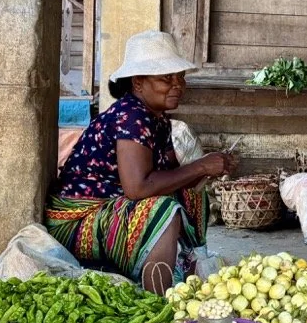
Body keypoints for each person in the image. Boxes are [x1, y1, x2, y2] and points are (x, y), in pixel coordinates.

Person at [47, 31, 237, 295]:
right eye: (166, 78)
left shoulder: (158, 120)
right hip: (78, 220)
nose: (178, 85)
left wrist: (210, 170)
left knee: (193, 195)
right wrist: (201, 166)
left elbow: (171, 176)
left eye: (180, 77)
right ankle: (156, 300)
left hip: (111, 208)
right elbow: (137, 188)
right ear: (138, 82)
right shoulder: (130, 115)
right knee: (161, 210)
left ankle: (192, 264)